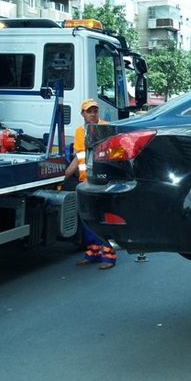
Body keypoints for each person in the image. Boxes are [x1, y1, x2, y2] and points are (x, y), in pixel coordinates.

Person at [64, 98, 117, 269]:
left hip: (101, 180)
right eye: (89, 111)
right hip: (85, 181)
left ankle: (108, 256)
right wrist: (65, 175)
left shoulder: (105, 128)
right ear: (83, 114)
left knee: (102, 218)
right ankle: (93, 251)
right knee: (87, 218)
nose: (93, 114)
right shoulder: (80, 131)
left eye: (95, 110)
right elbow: (79, 156)